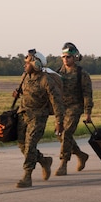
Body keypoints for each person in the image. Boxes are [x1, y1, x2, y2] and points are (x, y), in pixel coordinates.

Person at [12, 50, 65, 188]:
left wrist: (59, 122)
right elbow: (26, 91)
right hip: (23, 114)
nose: (25, 65)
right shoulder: (25, 76)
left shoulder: (46, 80)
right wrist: (18, 93)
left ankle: (27, 175)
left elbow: (57, 102)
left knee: (30, 145)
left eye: (27, 62)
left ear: (35, 64)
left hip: (38, 117)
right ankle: (44, 160)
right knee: (22, 144)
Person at [55, 42, 92, 175]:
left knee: (66, 133)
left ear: (75, 58)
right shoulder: (58, 73)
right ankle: (81, 155)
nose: (66, 59)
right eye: (64, 57)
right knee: (60, 134)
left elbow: (88, 94)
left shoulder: (82, 74)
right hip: (62, 108)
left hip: (75, 107)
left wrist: (88, 112)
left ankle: (63, 163)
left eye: (68, 57)